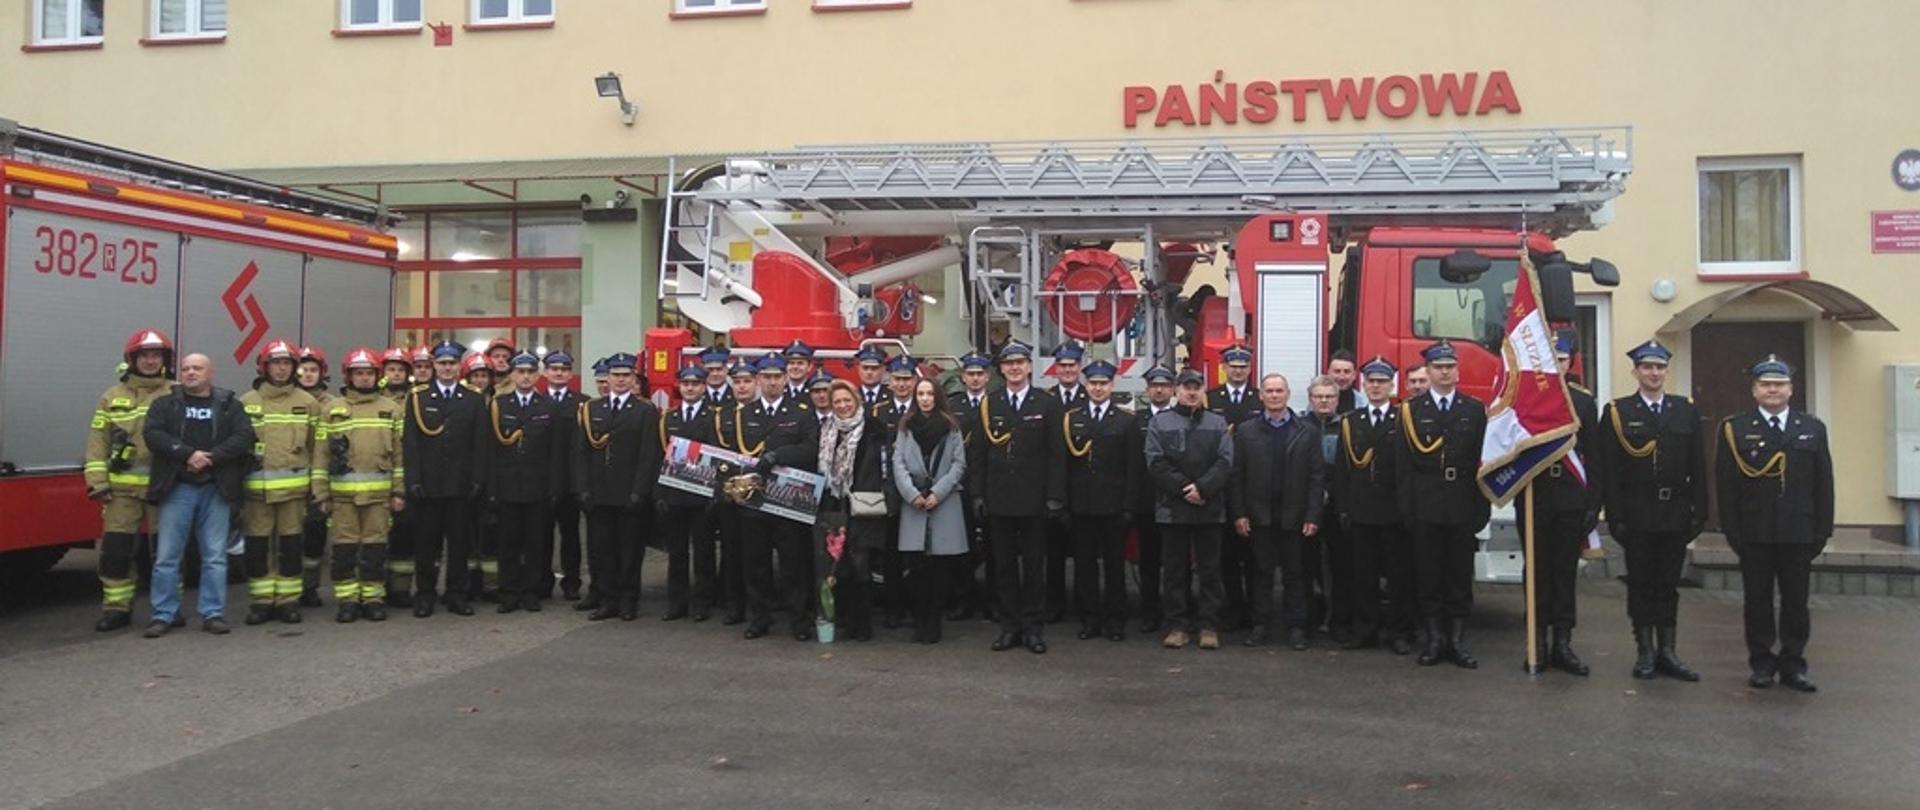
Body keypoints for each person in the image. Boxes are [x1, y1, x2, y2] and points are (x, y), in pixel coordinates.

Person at [1717, 355, 1833, 693]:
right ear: (1754, 390)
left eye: (1779, 384)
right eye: (1766, 384)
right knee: (1758, 602)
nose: (1773, 390)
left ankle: (1794, 664)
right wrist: (1733, 531)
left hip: (1799, 532)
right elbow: (1726, 485)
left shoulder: (1811, 428)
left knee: (1796, 602)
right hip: (1755, 532)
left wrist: (1822, 530)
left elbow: (1823, 484)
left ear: (1790, 389)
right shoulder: (1736, 428)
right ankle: (1762, 663)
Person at [1599, 339, 1707, 682]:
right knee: (1642, 584)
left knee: (1668, 584)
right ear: (1636, 372)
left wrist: (1699, 512)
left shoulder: (1685, 410)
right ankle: (1644, 650)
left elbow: (1698, 466)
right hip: (1637, 514)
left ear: (1666, 371)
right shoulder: (1618, 412)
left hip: (1675, 512)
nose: (1654, 373)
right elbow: (1609, 470)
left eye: (1659, 367)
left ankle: (1669, 651)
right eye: (1647, 367)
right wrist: (1615, 517)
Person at [141, 353, 255, 637]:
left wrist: (212, 457)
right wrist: (187, 454)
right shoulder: (165, 404)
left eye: (197, 368)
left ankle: (212, 613)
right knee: (167, 556)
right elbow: (153, 434)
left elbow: (244, 437)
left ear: (210, 372)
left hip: (215, 489)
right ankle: (164, 614)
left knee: (214, 556)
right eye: (186, 368)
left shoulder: (229, 405)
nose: (191, 372)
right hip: (178, 488)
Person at [1395, 340, 1489, 669]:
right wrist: (1407, 508)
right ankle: (1434, 639)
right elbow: (1402, 465)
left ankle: (1457, 640)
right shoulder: (1411, 410)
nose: (1444, 371)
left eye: (1450, 366)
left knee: (1459, 576)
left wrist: (1482, 507)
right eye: (1438, 367)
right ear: (1429, 371)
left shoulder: (1474, 409)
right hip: (1426, 503)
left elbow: (1482, 462)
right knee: (1429, 575)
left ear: (1457, 371)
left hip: (1462, 501)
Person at [1513, 334, 1603, 676]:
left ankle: (1563, 644)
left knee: (1564, 573)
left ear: (1570, 362)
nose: (1557, 365)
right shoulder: (1526, 401)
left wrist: (1594, 504)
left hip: (1570, 498)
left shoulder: (1582, 402)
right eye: (1551, 359)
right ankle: (1536, 643)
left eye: (1562, 360)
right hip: (1534, 496)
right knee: (1535, 571)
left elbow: (1594, 455)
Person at [972, 342, 1065, 654]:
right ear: (1001, 369)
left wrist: (1054, 496)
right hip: (999, 499)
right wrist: (978, 493)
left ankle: (1033, 628)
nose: (1014, 368)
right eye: (1008, 363)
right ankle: (1009, 627)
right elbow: (979, 454)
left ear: (1029, 367)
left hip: (1034, 500)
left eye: (1020, 363)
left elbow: (1056, 455)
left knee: (1035, 567)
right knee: (1004, 567)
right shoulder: (990, 403)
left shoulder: (1046, 403)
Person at [85, 329, 176, 632]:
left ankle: (168, 608)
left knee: (167, 551)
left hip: (164, 488)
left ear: (164, 359)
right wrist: (98, 482)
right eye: (144, 355)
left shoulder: (177, 393)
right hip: (121, 489)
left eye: (156, 355)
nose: (150, 361)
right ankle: (116, 608)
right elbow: (98, 441)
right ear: (132, 359)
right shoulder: (111, 397)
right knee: (116, 549)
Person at [725, 355, 820, 640]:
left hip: (786, 502)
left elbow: (810, 449)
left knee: (794, 566)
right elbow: (731, 453)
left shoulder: (801, 412)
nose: (772, 382)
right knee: (756, 565)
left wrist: (778, 456)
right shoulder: (744, 414)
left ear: (785, 379)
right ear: (758, 380)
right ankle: (759, 619)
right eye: (766, 377)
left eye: (777, 377)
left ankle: (799, 621)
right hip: (753, 501)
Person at [1229, 374, 1325, 649]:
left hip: (1294, 517)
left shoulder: (1307, 431)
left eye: (1279, 391)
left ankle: (1297, 628)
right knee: (1261, 573)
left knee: (1296, 574)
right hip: (1259, 516)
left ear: (1287, 394)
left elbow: (1316, 477)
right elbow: (1237, 476)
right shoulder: (1246, 431)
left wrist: (1312, 515)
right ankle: (1259, 625)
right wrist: (1240, 513)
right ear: (1261, 396)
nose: (1274, 395)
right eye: (1269, 391)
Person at [238, 339, 325, 626]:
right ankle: (261, 602)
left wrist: (317, 488)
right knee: (258, 548)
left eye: (287, 363)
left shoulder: (308, 403)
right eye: (276, 363)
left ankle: (288, 601)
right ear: (265, 367)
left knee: (290, 548)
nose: (281, 368)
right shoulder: (245, 403)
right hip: (256, 494)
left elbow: (317, 449)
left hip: (294, 494)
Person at [1146, 369, 1235, 650]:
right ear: (1177, 390)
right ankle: (1178, 625)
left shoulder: (1218, 423)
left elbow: (1225, 462)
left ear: (1203, 390)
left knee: (1210, 570)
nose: (1192, 392)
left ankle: (1208, 625)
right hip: (1172, 509)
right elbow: (1155, 462)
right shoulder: (1160, 423)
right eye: (1186, 387)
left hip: (1209, 509)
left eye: (1196, 387)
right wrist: (1186, 488)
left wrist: (1203, 489)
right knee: (1175, 571)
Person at [571, 352, 662, 622]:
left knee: (630, 552)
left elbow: (649, 455)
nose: (620, 380)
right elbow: (581, 454)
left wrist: (640, 491)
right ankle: (608, 600)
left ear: (633, 378)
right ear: (606, 379)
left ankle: (628, 601)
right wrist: (582, 489)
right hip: (599, 494)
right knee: (602, 551)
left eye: (625, 375)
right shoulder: (591, 410)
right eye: (615, 376)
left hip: (629, 493)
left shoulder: (645, 410)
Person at [1332, 357, 1414, 654]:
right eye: (1371, 382)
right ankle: (1364, 630)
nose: (1376, 387)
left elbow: (1408, 469)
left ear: (1391, 386)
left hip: (1394, 512)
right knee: (1362, 576)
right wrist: (1343, 507)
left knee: (1398, 577)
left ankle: (1398, 632)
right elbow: (1342, 469)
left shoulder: (1404, 418)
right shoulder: (1351, 421)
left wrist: (1408, 508)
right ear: (1363, 385)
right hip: (1362, 510)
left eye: (1382, 382)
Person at [403, 341, 490, 618]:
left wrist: (477, 479)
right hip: (428, 486)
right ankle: (425, 594)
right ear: (434, 366)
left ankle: (456, 593)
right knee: (427, 545)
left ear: (458, 367)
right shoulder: (418, 398)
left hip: (460, 486)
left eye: (452, 364)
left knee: (459, 544)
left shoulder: (473, 399)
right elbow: (412, 444)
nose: (447, 369)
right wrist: (413, 479)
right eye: (442, 364)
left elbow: (480, 444)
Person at [324, 347, 406, 623]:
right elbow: (320, 456)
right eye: (358, 373)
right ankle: (347, 601)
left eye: (369, 373)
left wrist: (398, 491)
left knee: (375, 549)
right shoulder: (332, 409)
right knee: (344, 550)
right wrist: (322, 493)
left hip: (379, 497)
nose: (364, 378)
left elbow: (400, 455)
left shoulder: (391, 410)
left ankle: (372, 598)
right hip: (342, 498)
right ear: (349, 376)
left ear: (377, 376)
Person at [1060, 359, 1141, 642]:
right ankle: (1090, 618)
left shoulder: (1126, 421)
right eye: (1093, 383)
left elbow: (1133, 468)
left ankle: (1115, 619)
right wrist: (1065, 503)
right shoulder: (1073, 418)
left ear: (1111, 385)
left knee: (1114, 566)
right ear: (1086, 385)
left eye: (1103, 384)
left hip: (1113, 507)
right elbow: (1066, 465)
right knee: (1084, 566)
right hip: (1082, 505)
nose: (1097, 388)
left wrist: (1129, 506)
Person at [488, 352, 566, 615]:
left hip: (537, 487)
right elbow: (491, 450)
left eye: (530, 372)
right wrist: (492, 487)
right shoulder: (499, 404)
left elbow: (556, 452)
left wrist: (554, 488)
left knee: (535, 543)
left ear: (537, 376)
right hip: (507, 485)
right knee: (507, 543)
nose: (525, 377)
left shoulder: (548, 406)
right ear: (511, 375)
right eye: (520, 372)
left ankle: (531, 592)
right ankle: (509, 592)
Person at [814, 380, 891, 642]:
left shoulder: (874, 428)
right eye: (837, 402)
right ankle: (845, 619)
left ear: (856, 400)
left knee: (862, 565)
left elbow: (884, 465)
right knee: (839, 566)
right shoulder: (826, 429)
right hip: (834, 505)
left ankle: (864, 623)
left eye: (847, 400)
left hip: (864, 504)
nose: (843, 406)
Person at [894, 377, 969, 644]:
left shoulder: (951, 427)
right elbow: (898, 464)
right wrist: (912, 494)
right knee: (916, 570)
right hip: (914, 503)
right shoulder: (905, 427)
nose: (925, 398)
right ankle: (920, 621)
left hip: (943, 502)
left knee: (941, 570)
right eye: (920, 394)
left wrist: (938, 492)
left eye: (929, 393)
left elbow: (959, 464)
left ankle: (934, 622)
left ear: (937, 396)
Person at [658, 365, 721, 621]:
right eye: (686, 384)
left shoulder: (714, 417)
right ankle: (677, 602)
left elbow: (719, 458)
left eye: (696, 384)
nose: (690, 388)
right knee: (677, 552)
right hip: (674, 494)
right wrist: (659, 494)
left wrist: (714, 494)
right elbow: (657, 456)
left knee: (704, 551)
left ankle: (702, 603)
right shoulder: (668, 418)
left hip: (702, 494)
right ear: (680, 386)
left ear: (704, 386)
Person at [1207, 344, 1259, 631]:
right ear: (1224, 367)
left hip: (1251, 486)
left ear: (1250, 368)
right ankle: (1232, 609)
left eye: (1243, 366)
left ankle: (1254, 611)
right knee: (1224, 556)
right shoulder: (1210, 398)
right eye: (1233, 365)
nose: (1238, 370)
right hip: (1220, 486)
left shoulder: (1259, 399)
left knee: (1252, 556)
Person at [945, 350, 995, 623]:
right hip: (960, 484)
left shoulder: (997, 403)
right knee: (961, 545)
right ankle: (963, 599)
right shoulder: (953, 406)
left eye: (979, 374)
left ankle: (993, 601)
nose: (975, 379)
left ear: (987, 376)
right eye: (970, 374)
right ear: (963, 377)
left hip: (990, 484)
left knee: (994, 547)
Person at [871, 355, 919, 629]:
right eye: (898, 379)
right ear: (890, 381)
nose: (902, 384)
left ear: (914, 381)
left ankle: (914, 604)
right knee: (889, 552)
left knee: (915, 553)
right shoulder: (878, 411)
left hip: (915, 490)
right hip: (887, 489)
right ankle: (892, 607)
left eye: (907, 379)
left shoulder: (922, 408)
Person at [1132, 365, 1177, 633]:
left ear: (1172, 389)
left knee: (1175, 563)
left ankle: (1176, 612)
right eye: (1154, 385)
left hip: (1174, 501)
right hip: (1146, 502)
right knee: (1148, 562)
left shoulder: (1181, 417)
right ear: (1147, 389)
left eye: (1164, 385)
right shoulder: (1135, 421)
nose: (1159, 389)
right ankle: (1150, 611)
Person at [1302, 375, 1347, 641]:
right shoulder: (1299, 426)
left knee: (1339, 568)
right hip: (1306, 507)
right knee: (1304, 567)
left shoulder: (1347, 426)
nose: (1323, 401)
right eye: (1318, 396)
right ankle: (1306, 620)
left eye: (1329, 396)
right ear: (1310, 399)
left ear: (1337, 399)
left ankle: (1337, 621)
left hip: (1337, 508)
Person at [541, 350, 587, 601]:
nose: (559, 373)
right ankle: (543, 582)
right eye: (554, 368)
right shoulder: (536, 401)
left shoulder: (583, 403)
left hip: (571, 483)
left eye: (564, 369)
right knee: (542, 537)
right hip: (545, 482)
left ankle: (572, 583)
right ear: (546, 372)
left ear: (570, 373)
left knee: (571, 536)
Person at [294, 346, 333, 608]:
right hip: (290, 480)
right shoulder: (287, 400)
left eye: (313, 370)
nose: (308, 375)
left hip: (320, 481)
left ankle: (309, 587)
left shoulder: (332, 405)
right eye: (303, 370)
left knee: (314, 538)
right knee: (288, 538)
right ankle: (288, 588)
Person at [381, 347, 418, 608]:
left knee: (404, 537)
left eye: (400, 370)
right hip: (376, 479)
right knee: (375, 538)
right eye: (391, 369)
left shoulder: (416, 400)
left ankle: (401, 589)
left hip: (405, 475)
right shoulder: (374, 399)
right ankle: (375, 588)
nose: (395, 374)